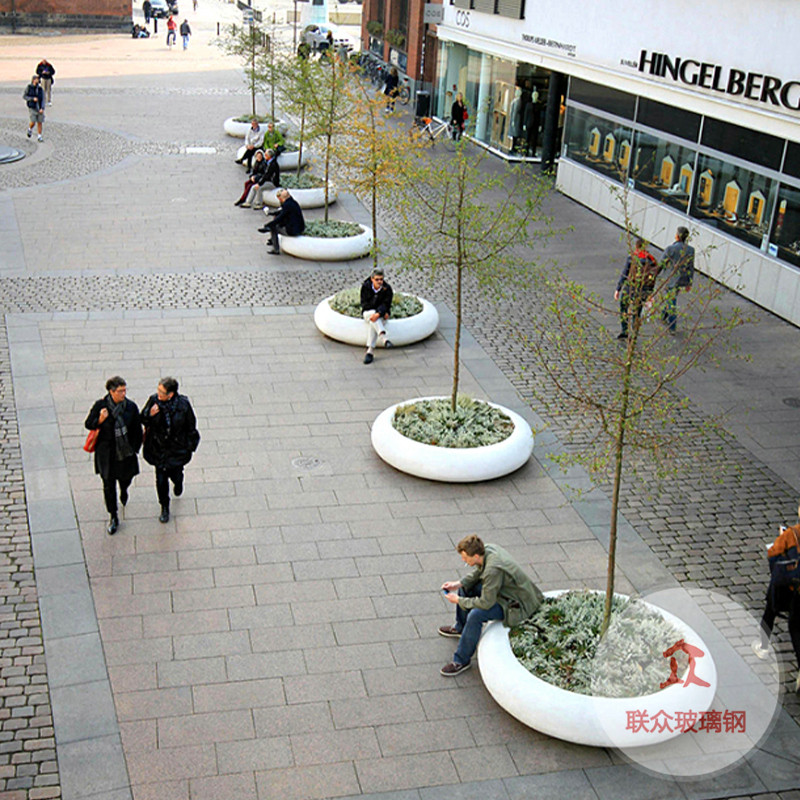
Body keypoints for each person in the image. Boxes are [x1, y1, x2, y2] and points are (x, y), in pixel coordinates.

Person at [439, 535, 543, 676]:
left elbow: (486, 602)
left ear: (475, 556)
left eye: (465, 558)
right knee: (466, 587)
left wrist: (459, 601)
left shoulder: (493, 570)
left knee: (476, 615)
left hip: (515, 603)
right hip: (501, 590)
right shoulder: (487, 549)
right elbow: (479, 571)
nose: (463, 560)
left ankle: (461, 661)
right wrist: (459, 583)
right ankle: (460, 628)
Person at [84, 377, 143, 536]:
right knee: (109, 486)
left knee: (126, 479)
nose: (123, 394)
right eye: (120, 391)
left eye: (125, 390)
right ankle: (113, 516)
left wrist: (134, 449)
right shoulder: (101, 406)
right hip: (107, 455)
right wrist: (100, 420)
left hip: (125, 454)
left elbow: (137, 430)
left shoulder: (130, 407)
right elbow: (89, 423)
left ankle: (124, 489)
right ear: (111, 391)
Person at [752, 502, 800, 691]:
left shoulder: (792, 534)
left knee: (773, 612)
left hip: (791, 588)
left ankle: (763, 647)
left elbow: (773, 555)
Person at [141, 377, 199, 523]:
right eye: (158, 389)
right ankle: (164, 507)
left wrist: (189, 447)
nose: (158, 393)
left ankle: (178, 483)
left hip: (177, 449)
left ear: (171, 394)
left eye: (162, 391)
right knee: (160, 480)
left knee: (176, 473)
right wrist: (150, 414)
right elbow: (142, 418)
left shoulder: (183, 405)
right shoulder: (153, 401)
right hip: (158, 449)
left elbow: (191, 426)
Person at [614, 237, 660, 340]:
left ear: (636, 246)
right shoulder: (652, 260)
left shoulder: (632, 257)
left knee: (624, 307)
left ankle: (625, 330)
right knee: (637, 311)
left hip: (630, 288)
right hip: (643, 290)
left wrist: (618, 288)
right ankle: (634, 333)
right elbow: (653, 277)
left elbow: (625, 273)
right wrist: (650, 293)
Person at [660, 226, 695, 335]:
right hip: (681, 280)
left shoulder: (670, 249)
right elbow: (690, 267)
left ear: (677, 236)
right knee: (671, 297)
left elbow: (662, 263)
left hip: (670, 279)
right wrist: (689, 282)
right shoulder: (690, 250)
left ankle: (672, 326)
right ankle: (663, 315)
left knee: (672, 302)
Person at [360, 268, 393, 364]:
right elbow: (365, 304)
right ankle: (384, 338)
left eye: (381, 279)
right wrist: (377, 311)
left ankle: (370, 351)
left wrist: (379, 313)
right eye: (377, 279)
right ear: (372, 279)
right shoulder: (366, 287)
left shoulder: (387, 289)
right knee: (372, 316)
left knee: (373, 322)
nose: (379, 282)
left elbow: (386, 304)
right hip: (368, 313)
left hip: (379, 314)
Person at [258, 188, 305, 255]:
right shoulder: (293, 202)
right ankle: (272, 240)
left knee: (273, 228)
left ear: (281, 198)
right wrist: (273, 213)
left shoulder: (287, 205)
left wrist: (268, 225)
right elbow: (282, 212)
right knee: (276, 222)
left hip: (293, 230)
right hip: (299, 226)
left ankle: (275, 249)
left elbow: (280, 217)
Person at [23, 75, 45, 143]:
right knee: (33, 121)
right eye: (36, 79)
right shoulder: (29, 87)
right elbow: (24, 96)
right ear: (33, 80)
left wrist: (42, 108)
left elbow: (43, 99)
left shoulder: (40, 89)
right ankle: (30, 129)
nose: (38, 81)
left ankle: (39, 136)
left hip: (39, 107)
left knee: (40, 122)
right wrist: (32, 99)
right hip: (32, 107)